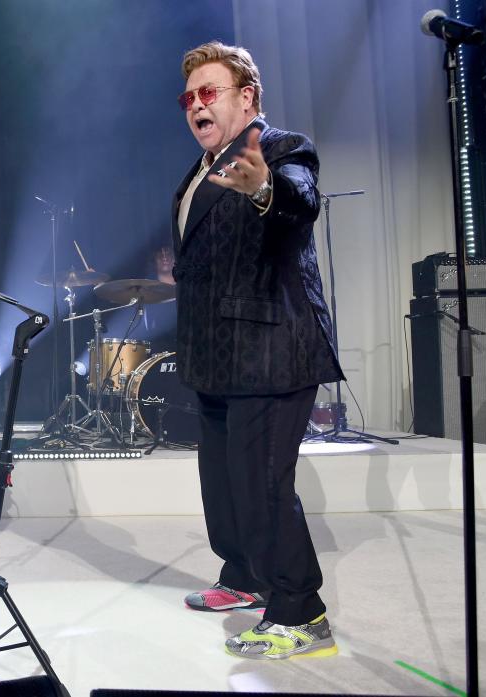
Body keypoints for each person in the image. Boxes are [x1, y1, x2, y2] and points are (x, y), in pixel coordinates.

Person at [171, 42, 343, 659]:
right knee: (222, 483)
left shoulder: (281, 149)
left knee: (263, 483)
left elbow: (298, 204)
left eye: (209, 92)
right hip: (216, 355)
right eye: (189, 97)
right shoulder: (200, 167)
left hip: (272, 348)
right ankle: (243, 576)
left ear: (248, 97)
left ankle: (302, 611)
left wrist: (265, 187)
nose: (196, 106)